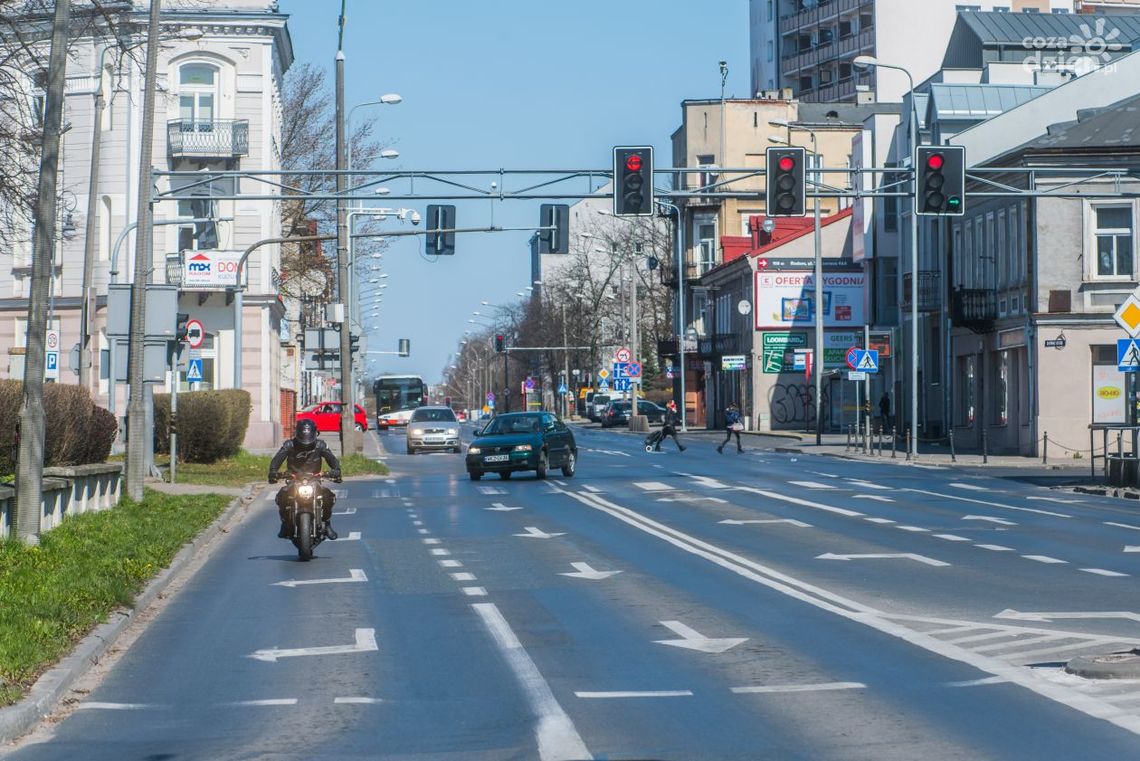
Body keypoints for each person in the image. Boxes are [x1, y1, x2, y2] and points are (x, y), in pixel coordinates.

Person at [269, 419, 342, 540]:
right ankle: (285, 523)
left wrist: (336, 471)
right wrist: (273, 472)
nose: (306, 443)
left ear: (315, 434)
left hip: (314, 479)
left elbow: (332, 459)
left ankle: (327, 524)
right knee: (282, 495)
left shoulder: (320, 445)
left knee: (327, 496)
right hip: (294, 479)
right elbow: (277, 459)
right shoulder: (289, 445)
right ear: (297, 433)